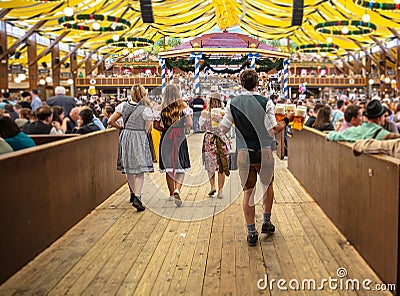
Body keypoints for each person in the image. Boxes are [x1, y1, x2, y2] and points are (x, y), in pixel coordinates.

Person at [220, 69, 294, 246]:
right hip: (265, 150)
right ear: (257, 83)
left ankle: (251, 232)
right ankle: (266, 223)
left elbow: (223, 129)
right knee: (267, 186)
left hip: (244, 152)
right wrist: (287, 120)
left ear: (241, 83)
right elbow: (273, 130)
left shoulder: (232, 103)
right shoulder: (266, 102)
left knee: (248, 192)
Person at [108, 85, 154, 212]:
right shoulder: (146, 109)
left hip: (126, 136)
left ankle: (133, 193)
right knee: (140, 169)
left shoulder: (123, 106)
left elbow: (110, 121)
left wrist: (121, 128)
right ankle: (137, 197)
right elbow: (148, 129)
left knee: (128, 168)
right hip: (139, 136)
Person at [153, 84, 193, 206]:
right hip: (180, 137)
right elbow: (190, 123)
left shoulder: (161, 108)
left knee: (169, 167)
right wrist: (181, 128)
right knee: (180, 166)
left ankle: (171, 194)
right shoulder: (184, 106)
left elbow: (155, 126)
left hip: (166, 138)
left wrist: (165, 128)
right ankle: (177, 189)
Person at [200, 92, 231, 198]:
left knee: (210, 164)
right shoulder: (224, 113)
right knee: (221, 164)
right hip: (221, 138)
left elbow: (202, 128)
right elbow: (227, 127)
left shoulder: (205, 113)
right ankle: (221, 190)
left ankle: (212, 186)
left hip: (209, 139)